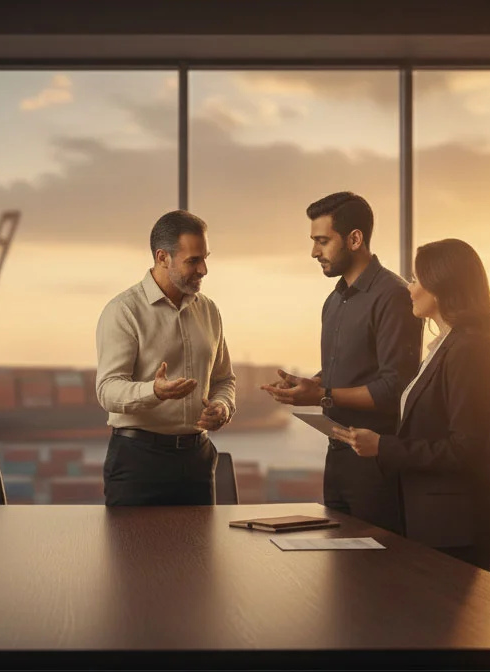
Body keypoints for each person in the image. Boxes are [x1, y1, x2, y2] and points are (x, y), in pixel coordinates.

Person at [330, 238, 490, 571]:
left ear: (441, 286)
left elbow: (465, 448)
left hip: (457, 525)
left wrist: (382, 446)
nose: (409, 289)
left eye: (415, 279)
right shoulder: (444, 347)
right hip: (436, 521)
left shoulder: (468, 350)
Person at [261, 192, 421, 533]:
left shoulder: (394, 296)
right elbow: (348, 369)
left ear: (354, 239)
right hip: (337, 458)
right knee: (338, 560)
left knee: (379, 562)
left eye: (322, 241)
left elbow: (394, 387)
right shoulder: (333, 301)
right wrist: (312, 384)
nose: (314, 252)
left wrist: (322, 395)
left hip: (376, 464)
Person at [95, 210, 237, 506]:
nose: (204, 269)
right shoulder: (123, 311)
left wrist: (222, 407)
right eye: (193, 261)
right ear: (162, 257)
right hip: (138, 463)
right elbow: (107, 390)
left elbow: (224, 379)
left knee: (200, 540)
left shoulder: (209, 310)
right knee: (132, 540)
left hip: (197, 460)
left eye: (205, 258)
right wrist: (154, 391)